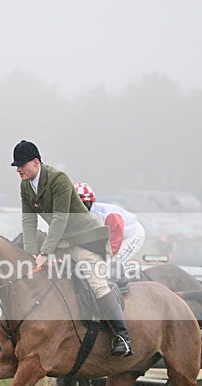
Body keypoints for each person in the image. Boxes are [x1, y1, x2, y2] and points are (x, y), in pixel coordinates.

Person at [12, 140, 132, 356]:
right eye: (16, 166)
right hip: (61, 243)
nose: (18, 169)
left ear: (36, 162)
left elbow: (60, 219)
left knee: (98, 286)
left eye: (22, 165)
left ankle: (122, 336)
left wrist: (45, 252)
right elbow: (28, 220)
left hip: (85, 241)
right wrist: (31, 252)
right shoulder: (25, 186)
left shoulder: (58, 179)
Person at [74, 182, 146, 282]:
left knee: (111, 265)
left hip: (131, 234)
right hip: (112, 236)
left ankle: (130, 281)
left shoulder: (108, 215)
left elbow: (114, 244)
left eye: (85, 204)